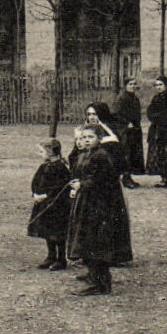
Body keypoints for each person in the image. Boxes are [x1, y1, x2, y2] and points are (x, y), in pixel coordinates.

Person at [67, 123, 125, 295]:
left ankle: (101, 283)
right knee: (87, 240)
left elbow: (100, 181)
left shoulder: (101, 156)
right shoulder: (86, 154)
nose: (86, 140)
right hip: (87, 203)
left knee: (96, 242)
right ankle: (94, 277)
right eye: (83, 137)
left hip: (99, 206)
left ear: (99, 139)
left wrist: (81, 185)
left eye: (90, 137)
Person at [28, 138, 72, 270]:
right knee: (47, 230)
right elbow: (35, 181)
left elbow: (61, 186)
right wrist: (35, 194)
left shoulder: (61, 168)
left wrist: (47, 196)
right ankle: (51, 256)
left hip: (57, 206)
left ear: (51, 152)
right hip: (44, 205)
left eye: (42, 151)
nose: (40, 154)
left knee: (58, 231)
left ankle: (61, 258)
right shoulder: (43, 167)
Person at [112, 77, 145, 188]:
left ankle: (129, 176)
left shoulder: (134, 98)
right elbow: (116, 114)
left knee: (133, 153)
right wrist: (126, 123)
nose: (133, 86)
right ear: (125, 86)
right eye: (130, 84)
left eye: (134, 84)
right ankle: (125, 178)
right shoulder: (121, 98)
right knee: (126, 153)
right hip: (124, 131)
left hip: (134, 130)